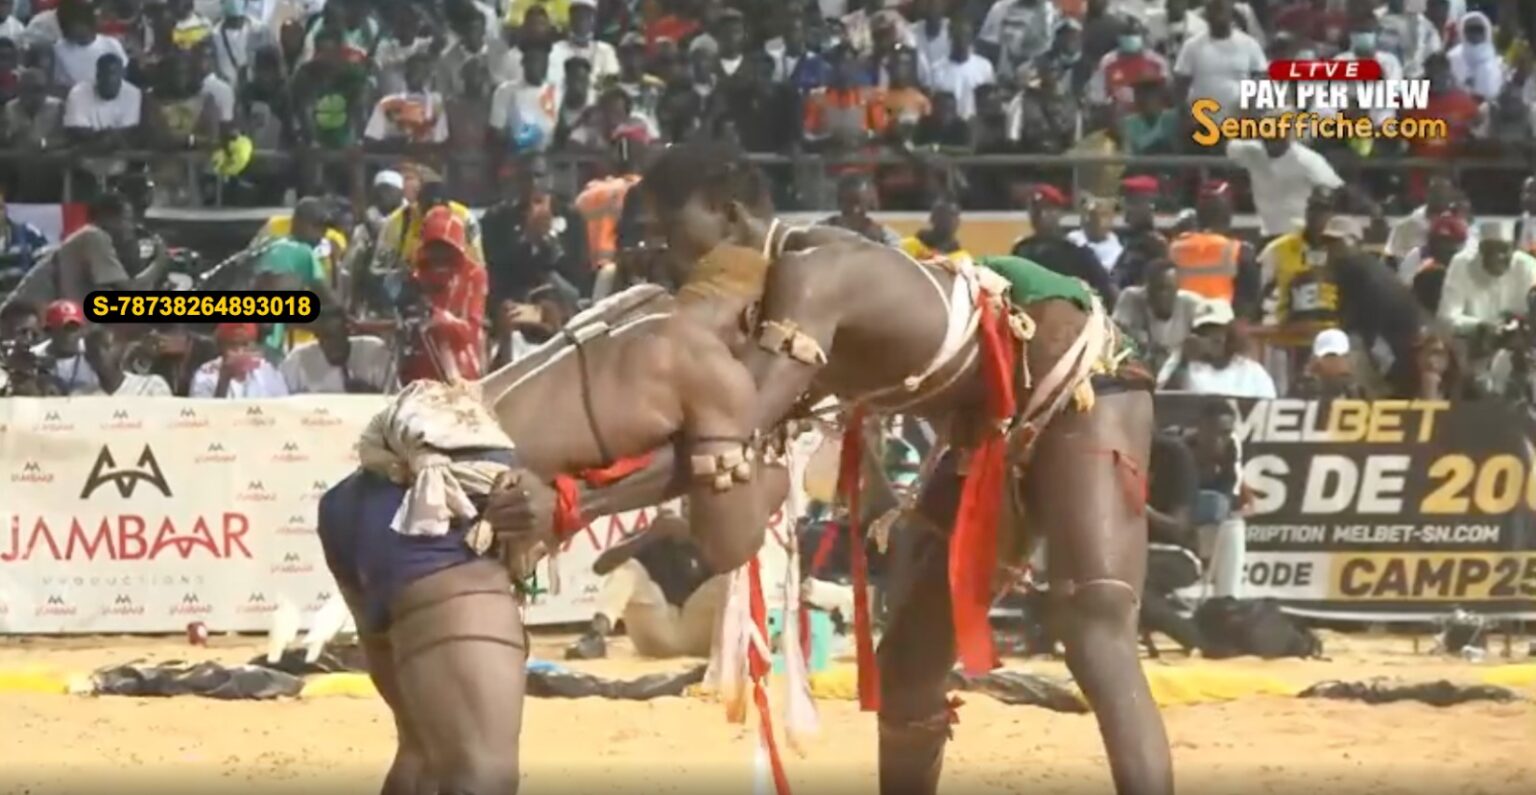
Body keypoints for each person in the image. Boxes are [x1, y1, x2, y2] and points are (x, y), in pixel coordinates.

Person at [493, 143, 1173, 795]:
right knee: (908, 669)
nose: (661, 254)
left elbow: (734, 430)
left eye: (669, 230)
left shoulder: (813, 272)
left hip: (1082, 382)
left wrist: (574, 500)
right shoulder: (764, 303)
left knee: (1095, 625)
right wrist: (574, 499)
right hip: (986, 428)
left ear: (730, 214)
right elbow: (718, 454)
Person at [317, 246, 790, 795]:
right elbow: (727, 541)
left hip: (367, 499)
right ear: (754, 319)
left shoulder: (628, 309)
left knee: (426, 757)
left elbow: (636, 464)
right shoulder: (712, 367)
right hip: (450, 511)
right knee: (480, 775)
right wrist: (769, 476)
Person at [564, 512, 727, 660]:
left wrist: (695, 537)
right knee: (629, 567)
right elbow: (600, 567)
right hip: (656, 631)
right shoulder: (642, 536)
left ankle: (744, 647)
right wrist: (650, 535)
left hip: (699, 632)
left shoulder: (709, 537)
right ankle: (595, 637)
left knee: (733, 576)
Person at [397, 206, 488, 386]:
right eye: (434, 250)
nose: (439, 258)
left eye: (446, 251)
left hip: (462, 369)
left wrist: (441, 318)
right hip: (420, 371)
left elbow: (472, 330)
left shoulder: (474, 275)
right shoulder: (415, 276)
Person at [1141, 430, 1204, 654]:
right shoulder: (1113, 455)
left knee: (1128, 580)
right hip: (1131, 551)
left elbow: (1178, 528)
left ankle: (1194, 637)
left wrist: (1141, 509)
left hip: (1177, 554)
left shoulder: (1174, 456)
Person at [1011, 183, 1118, 307]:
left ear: (1059, 214)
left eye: (1047, 209)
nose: (1040, 216)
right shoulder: (1022, 250)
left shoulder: (1075, 252)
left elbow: (1107, 292)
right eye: (1035, 210)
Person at [1225, 135, 1344, 239]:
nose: (1271, 142)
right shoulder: (1251, 150)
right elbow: (1230, 146)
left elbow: (1334, 187)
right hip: (1266, 231)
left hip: (1299, 233)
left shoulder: (1308, 159)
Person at [53, 191, 161, 302]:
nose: (131, 227)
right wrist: (160, 261)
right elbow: (130, 288)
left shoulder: (90, 236)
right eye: (127, 219)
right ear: (108, 218)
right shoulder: (95, 237)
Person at [1438, 221, 1536, 343]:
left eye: (1504, 249)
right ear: (1480, 249)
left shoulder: (1527, 266)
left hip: (1517, 346)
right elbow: (1446, 318)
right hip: (1474, 345)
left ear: (1513, 248)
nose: (1498, 256)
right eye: (1491, 250)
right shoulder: (1462, 263)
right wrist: (1479, 327)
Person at [1158, 300, 1277, 398]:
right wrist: (1183, 362)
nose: (1214, 337)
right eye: (1205, 331)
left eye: (1218, 329)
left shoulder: (1252, 372)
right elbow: (1162, 403)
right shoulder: (1182, 363)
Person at [1173, 0, 1267, 124]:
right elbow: (1179, 86)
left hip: (1240, 122)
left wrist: (1251, 105)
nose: (1218, 13)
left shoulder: (1250, 44)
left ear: (1231, 9)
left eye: (1222, 7)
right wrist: (1186, 115)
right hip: (1203, 123)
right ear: (1206, 12)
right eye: (1214, 8)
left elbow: (1261, 79)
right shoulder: (1191, 46)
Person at [1113, 259, 1204, 373]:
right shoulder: (1131, 298)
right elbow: (1114, 333)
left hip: (1181, 371)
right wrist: (1138, 339)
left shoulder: (1192, 304)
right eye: (1158, 288)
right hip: (1139, 369)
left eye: (1169, 288)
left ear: (1177, 288)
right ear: (1147, 288)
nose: (1163, 295)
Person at [279, 309, 392, 394]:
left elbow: (397, 402)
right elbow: (280, 403)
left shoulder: (373, 351)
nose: (333, 344)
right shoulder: (299, 360)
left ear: (348, 331)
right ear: (318, 337)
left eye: (338, 335)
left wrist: (371, 395)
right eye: (327, 336)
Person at [189, 322, 288, 398]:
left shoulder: (268, 371)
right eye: (233, 346)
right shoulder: (206, 375)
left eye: (245, 345)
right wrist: (224, 379)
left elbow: (284, 413)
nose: (240, 353)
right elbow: (205, 418)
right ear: (221, 347)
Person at [82, 323, 173, 396]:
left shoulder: (151, 387)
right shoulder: (82, 398)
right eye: (94, 350)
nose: (101, 354)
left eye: (107, 347)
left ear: (121, 349)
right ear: (87, 358)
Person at [31, 298, 99, 395]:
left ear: (82, 330)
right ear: (49, 330)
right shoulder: (35, 356)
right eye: (62, 328)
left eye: (73, 328)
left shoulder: (94, 352)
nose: (68, 334)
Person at [821, 173, 901, 247]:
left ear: (870, 204)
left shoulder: (885, 237)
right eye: (849, 203)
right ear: (840, 202)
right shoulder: (818, 232)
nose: (856, 210)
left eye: (861, 204)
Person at [1292, 328, 1368, 399]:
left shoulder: (1356, 388)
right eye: (1327, 356)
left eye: (1335, 356)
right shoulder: (1305, 386)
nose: (1332, 362)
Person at [1067, 195, 1124, 277]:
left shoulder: (1118, 249)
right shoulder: (1073, 240)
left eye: (1105, 215)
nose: (1102, 221)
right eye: (1095, 214)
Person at [900, 196, 969, 263]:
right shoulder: (908, 245)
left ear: (958, 222)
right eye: (942, 216)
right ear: (932, 219)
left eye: (953, 216)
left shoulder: (962, 259)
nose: (948, 220)